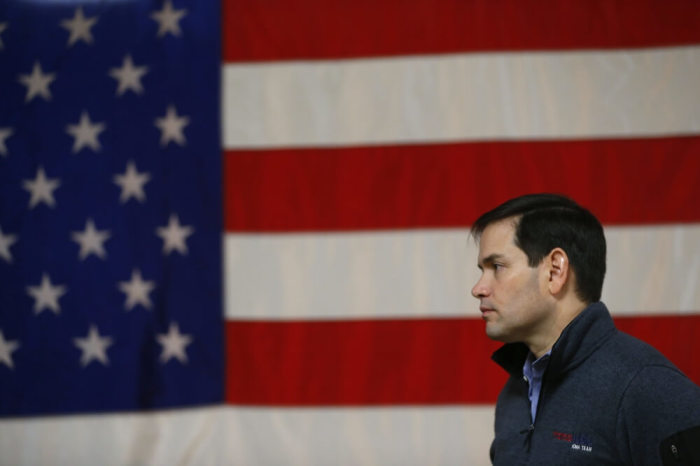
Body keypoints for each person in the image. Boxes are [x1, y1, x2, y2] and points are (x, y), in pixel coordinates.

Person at [470, 193, 700, 465]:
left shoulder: (649, 388)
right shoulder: (515, 393)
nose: (478, 289)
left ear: (555, 270)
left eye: (497, 266)